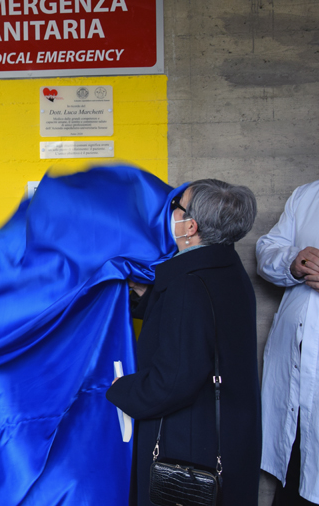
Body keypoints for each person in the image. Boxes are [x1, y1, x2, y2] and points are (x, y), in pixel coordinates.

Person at [106, 179, 261, 506]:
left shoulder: (188, 286)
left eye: (177, 206)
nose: (170, 211)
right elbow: (202, 327)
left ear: (189, 226)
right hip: (224, 437)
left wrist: (119, 389)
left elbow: (172, 382)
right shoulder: (227, 270)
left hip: (187, 446)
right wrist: (146, 294)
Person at [257, 179, 319, 505]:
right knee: (295, 477)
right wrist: (293, 262)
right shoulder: (307, 195)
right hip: (295, 376)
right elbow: (267, 250)